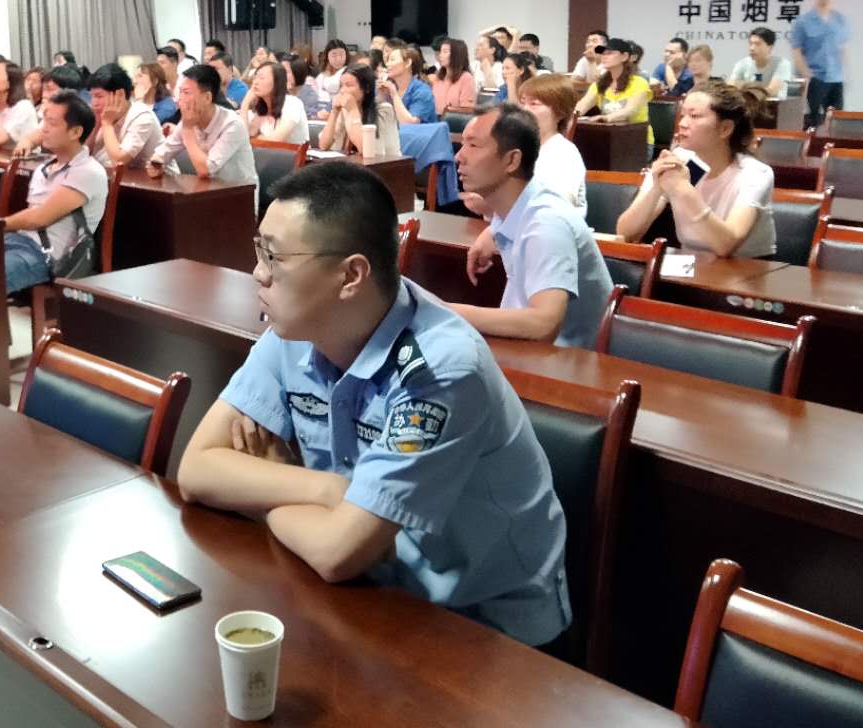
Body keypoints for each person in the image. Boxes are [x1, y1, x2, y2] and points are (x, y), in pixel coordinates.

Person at [175, 161, 570, 647]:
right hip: (370, 595)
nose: (258, 273)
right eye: (259, 250)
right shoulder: (296, 329)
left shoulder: (440, 371)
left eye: (274, 257)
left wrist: (264, 485)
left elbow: (337, 553)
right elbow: (197, 469)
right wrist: (328, 491)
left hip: (482, 628)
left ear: (351, 276)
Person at [448, 106, 613, 347]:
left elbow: (543, 324)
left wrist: (449, 312)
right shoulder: (517, 204)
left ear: (512, 160)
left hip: (571, 360)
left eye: (473, 145)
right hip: (528, 352)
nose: (459, 156)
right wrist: (491, 232)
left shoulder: (547, 224)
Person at [617, 82, 776, 258]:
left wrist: (683, 189)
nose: (682, 123)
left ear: (725, 128)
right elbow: (625, 234)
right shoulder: (681, 160)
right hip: (691, 265)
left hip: (746, 269)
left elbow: (725, 245)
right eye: (683, 115)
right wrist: (656, 188)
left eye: (694, 116)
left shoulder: (754, 173)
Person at [1, 91, 109, 292]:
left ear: (75, 132)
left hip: (47, 256)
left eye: (51, 123)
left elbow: (39, 218)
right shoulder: (44, 167)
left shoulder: (88, 172)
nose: (43, 128)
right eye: (44, 121)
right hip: (19, 241)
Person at [148, 65, 257, 189]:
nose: (179, 100)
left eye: (186, 93)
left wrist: (188, 130)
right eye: (180, 92)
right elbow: (162, 153)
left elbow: (205, 170)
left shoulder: (232, 124)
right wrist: (156, 165)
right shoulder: (189, 120)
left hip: (240, 193)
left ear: (207, 97)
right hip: (207, 190)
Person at [516, 73, 586, 214]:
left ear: (559, 113)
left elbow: (555, 210)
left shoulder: (565, 153)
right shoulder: (519, 148)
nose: (525, 110)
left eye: (534, 104)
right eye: (522, 103)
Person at [792, 0, 850, 129]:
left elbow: (842, 48)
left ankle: (831, 144)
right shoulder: (803, 21)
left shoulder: (840, 20)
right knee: (813, 120)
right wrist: (806, 74)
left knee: (836, 120)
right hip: (815, 78)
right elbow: (796, 50)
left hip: (836, 78)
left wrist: (845, 73)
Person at [574, 37, 653, 146]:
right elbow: (581, 107)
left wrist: (607, 118)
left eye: (610, 53)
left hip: (638, 141)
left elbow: (630, 110)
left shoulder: (639, 83)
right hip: (610, 139)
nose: (604, 56)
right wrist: (568, 117)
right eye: (603, 53)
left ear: (624, 56)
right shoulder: (599, 84)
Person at [84, 64, 163, 169]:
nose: (94, 103)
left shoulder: (142, 116)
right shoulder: (106, 114)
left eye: (99, 96)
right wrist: (96, 125)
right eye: (92, 96)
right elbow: (83, 155)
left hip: (159, 177)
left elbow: (118, 162)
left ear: (120, 94)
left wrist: (107, 124)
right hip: (118, 176)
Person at [319, 65, 400, 157]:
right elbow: (323, 145)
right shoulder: (345, 110)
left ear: (367, 88)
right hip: (350, 163)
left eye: (349, 85)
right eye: (341, 85)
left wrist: (353, 111)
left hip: (386, 164)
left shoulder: (385, 110)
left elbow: (369, 152)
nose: (343, 91)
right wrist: (334, 112)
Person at [241, 62, 309, 144]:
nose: (255, 82)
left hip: (293, 151)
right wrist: (245, 104)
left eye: (261, 78)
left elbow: (276, 139)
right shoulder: (262, 108)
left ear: (277, 82)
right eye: (255, 78)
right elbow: (245, 137)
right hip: (266, 151)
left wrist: (253, 139)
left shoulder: (292, 104)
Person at [728, 26, 793, 97]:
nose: (752, 48)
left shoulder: (782, 64)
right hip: (748, 103)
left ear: (770, 47)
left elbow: (771, 91)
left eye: (758, 44)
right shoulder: (742, 63)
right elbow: (731, 88)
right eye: (750, 44)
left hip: (774, 103)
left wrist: (744, 85)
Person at [380, 44, 437, 125]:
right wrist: (381, 96)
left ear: (408, 63)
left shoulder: (423, 91)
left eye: (392, 60)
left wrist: (394, 95)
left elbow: (410, 124)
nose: (387, 64)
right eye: (388, 60)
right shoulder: (389, 88)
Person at [430, 38, 476, 115]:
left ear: (456, 55)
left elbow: (467, 111)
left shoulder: (466, 78)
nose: (440, 55)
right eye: (441, 51)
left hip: (453, 121)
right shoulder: (439, 77)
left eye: (445, 52)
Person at [135, 61, 178, 126]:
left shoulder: (167, 106)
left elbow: (144, 126)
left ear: (155, 81)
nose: (135, 81)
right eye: (135, 77)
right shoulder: (135, 102)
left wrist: (139, 100)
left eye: (140, 76)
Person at [315, 38, 349, 105]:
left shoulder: (348, 71)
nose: (338, 59)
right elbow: (314, 90)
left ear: (346, 55)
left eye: (342, 55)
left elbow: (333, 85)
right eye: (334, 55)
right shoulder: (322, 75)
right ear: (327, 56)